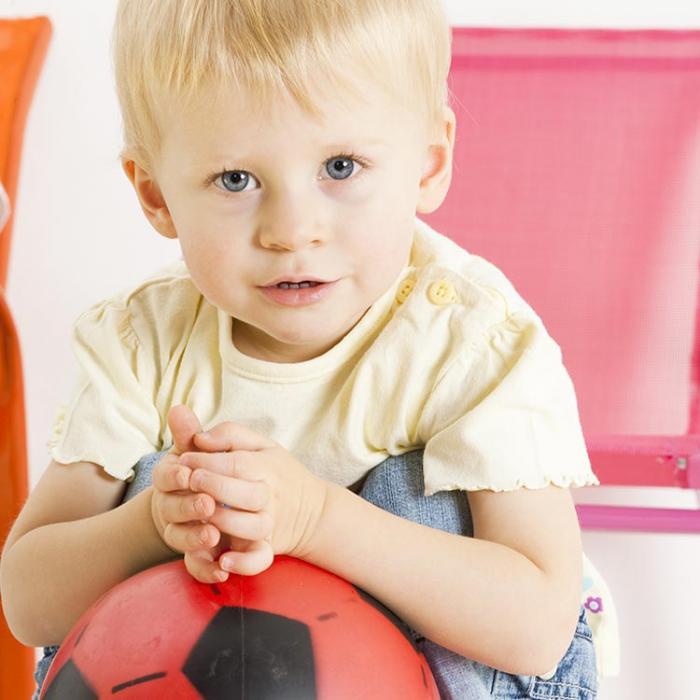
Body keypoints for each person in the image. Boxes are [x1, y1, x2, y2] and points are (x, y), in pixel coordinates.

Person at [0, 1, 619, 698]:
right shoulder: (141, 342)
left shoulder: (470, 340)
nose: (292, 230)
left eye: (341, 166)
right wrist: (152, 524)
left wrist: (318, 520)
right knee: (154, 481)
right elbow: (27, 601)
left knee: (419, 499)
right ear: (155, 195)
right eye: (236, 180)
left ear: (427, 165)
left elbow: (535, 629)